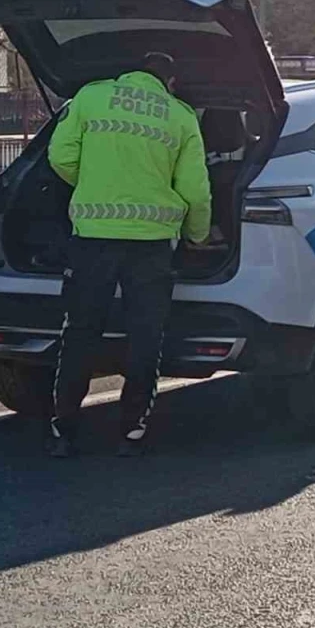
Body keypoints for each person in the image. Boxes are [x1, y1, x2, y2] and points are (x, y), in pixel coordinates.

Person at [46, 51, 212, 458]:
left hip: (93, 238)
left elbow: (60, 157)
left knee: (81, 331)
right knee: (145, 335)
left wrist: (94, 184)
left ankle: (64, 427)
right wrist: (197, 236)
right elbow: (195, 190)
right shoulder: (180, 116)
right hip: (151, 245)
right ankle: (131, 429)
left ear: (129, 72)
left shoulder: (91, 97)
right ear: (169, 83)